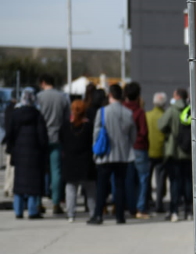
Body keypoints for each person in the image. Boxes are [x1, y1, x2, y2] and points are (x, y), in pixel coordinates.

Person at [88, 83, 135, 225]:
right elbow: (133, 135)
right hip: (123, 155)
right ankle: (120, 216)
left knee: (102, 186)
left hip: (105, 154)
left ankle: (98, 215)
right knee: (120, 186)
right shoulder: (128, 113)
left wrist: (95, 148)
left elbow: (96, 133)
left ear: (110, 95)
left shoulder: (103, 112)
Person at [5, 88, 48, 219]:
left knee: (19, 183)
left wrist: (11, 149)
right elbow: (42, 137)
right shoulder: (37, 115)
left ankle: (18, 210)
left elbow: (10, 134)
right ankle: (32, 210)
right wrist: (43, 149)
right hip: (34, 153)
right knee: (33, 184)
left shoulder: (15, 114)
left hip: (19, 152)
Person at [37, 73, 70, 214]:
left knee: (38, 170)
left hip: (40, 138)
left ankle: (37, 202)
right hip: (57, 137)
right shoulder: (63, 98)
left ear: (43, 82)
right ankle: (56, 202)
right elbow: (67, 118)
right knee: (56, 171)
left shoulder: (38, 98)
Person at [158, 88, 191, 222]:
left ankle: (174, 211)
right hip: (188, 152)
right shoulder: (191, 110)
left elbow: (161, 125)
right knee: (188, 182)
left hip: (174, 151)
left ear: (176, 96)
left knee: (175, 182)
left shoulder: (171, 111)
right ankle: (189, 211)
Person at [61, 99, 96, 222]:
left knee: (71, 188)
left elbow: (62, 141)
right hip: (86, 161)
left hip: (70, 161)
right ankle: (93, 212)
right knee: (90, 189)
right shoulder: (89, 126)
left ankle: (71, 213)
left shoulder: (66, 125)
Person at [123, 82, 150, 218]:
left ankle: (131, 206)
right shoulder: (139, 112)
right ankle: (140, 207)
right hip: (139, 148)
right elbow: (144, 132)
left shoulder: (122, 109)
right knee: (143, 179)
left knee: (128, 179)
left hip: (125, 149)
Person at [146, 92, 168, 213]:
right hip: (161, 152)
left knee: (147, 179)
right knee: (160, 180)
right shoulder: (165, 116)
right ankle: (159, 204)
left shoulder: (147, 115)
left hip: (148, 151)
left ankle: (147, 202)